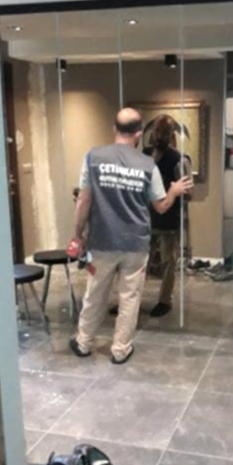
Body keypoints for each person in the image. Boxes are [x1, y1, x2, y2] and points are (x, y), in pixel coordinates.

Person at [69, 107, 193, 364]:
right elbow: (161, 206)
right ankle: (120, 349)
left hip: (102, 242)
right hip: (136, 245)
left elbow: (83, 199)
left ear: (114, 129)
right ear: (138, 134)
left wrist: (77, 235)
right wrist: (174, 191)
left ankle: (83, 343)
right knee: (129, 297)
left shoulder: (93, 157)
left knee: (95, 294)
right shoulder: (147, 165)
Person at [143, 115, 193, 317]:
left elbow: (189, 192)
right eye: (157, 131)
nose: (159, 136)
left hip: (169, 220)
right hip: (146, 218)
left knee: (167, 262)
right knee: (139, 263)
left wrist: (174, 192)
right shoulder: (144, 156)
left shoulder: (178, 160)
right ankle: (130, 299)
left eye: (164, 132)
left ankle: (165, 300)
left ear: (171, 134)